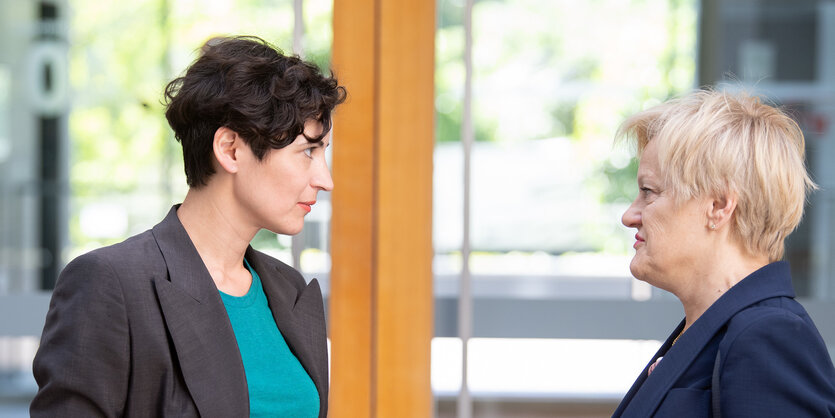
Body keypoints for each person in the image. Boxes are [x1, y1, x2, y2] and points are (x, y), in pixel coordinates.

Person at [30, 36, 346, 417]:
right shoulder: (110, 284)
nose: (325, 180)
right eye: (308, 151)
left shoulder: (288, 288)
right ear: (230, 149)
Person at [612, 89, 835, 417]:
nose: (629, 215)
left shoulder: (768, 335)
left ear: (718, 207)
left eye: (649, 191)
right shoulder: (716, 327)